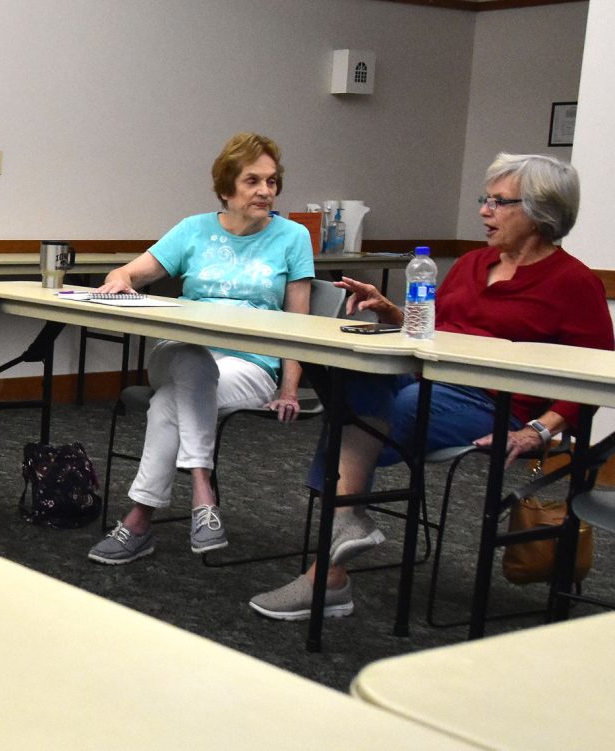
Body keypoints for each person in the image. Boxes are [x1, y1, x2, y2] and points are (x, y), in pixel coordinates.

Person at [250, 152, 615, 621]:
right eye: (485, 199)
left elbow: (593, 378)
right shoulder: (470, 264)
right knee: (350, 375)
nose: (484, 211)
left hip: (493, 402)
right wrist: (391, 313)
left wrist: (540, 431)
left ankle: (329, 572)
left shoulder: (574, 283)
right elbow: (433, 334)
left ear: (541, 212)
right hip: (427, 380)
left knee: (361, 416)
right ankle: (344, 529)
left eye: (499, 202)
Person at [88, 132, 314, 565]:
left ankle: (137, 521)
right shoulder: (193, 229)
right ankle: (201, 488)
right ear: (227, 188)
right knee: (191, 359)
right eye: (252, 181)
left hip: (249, 365)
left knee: (170, 403)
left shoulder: (293, 237)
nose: (265, 191)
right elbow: (129, 272)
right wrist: (120, 279)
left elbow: (297, 324)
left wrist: (289, 389)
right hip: (178, 353)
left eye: (271, 181)